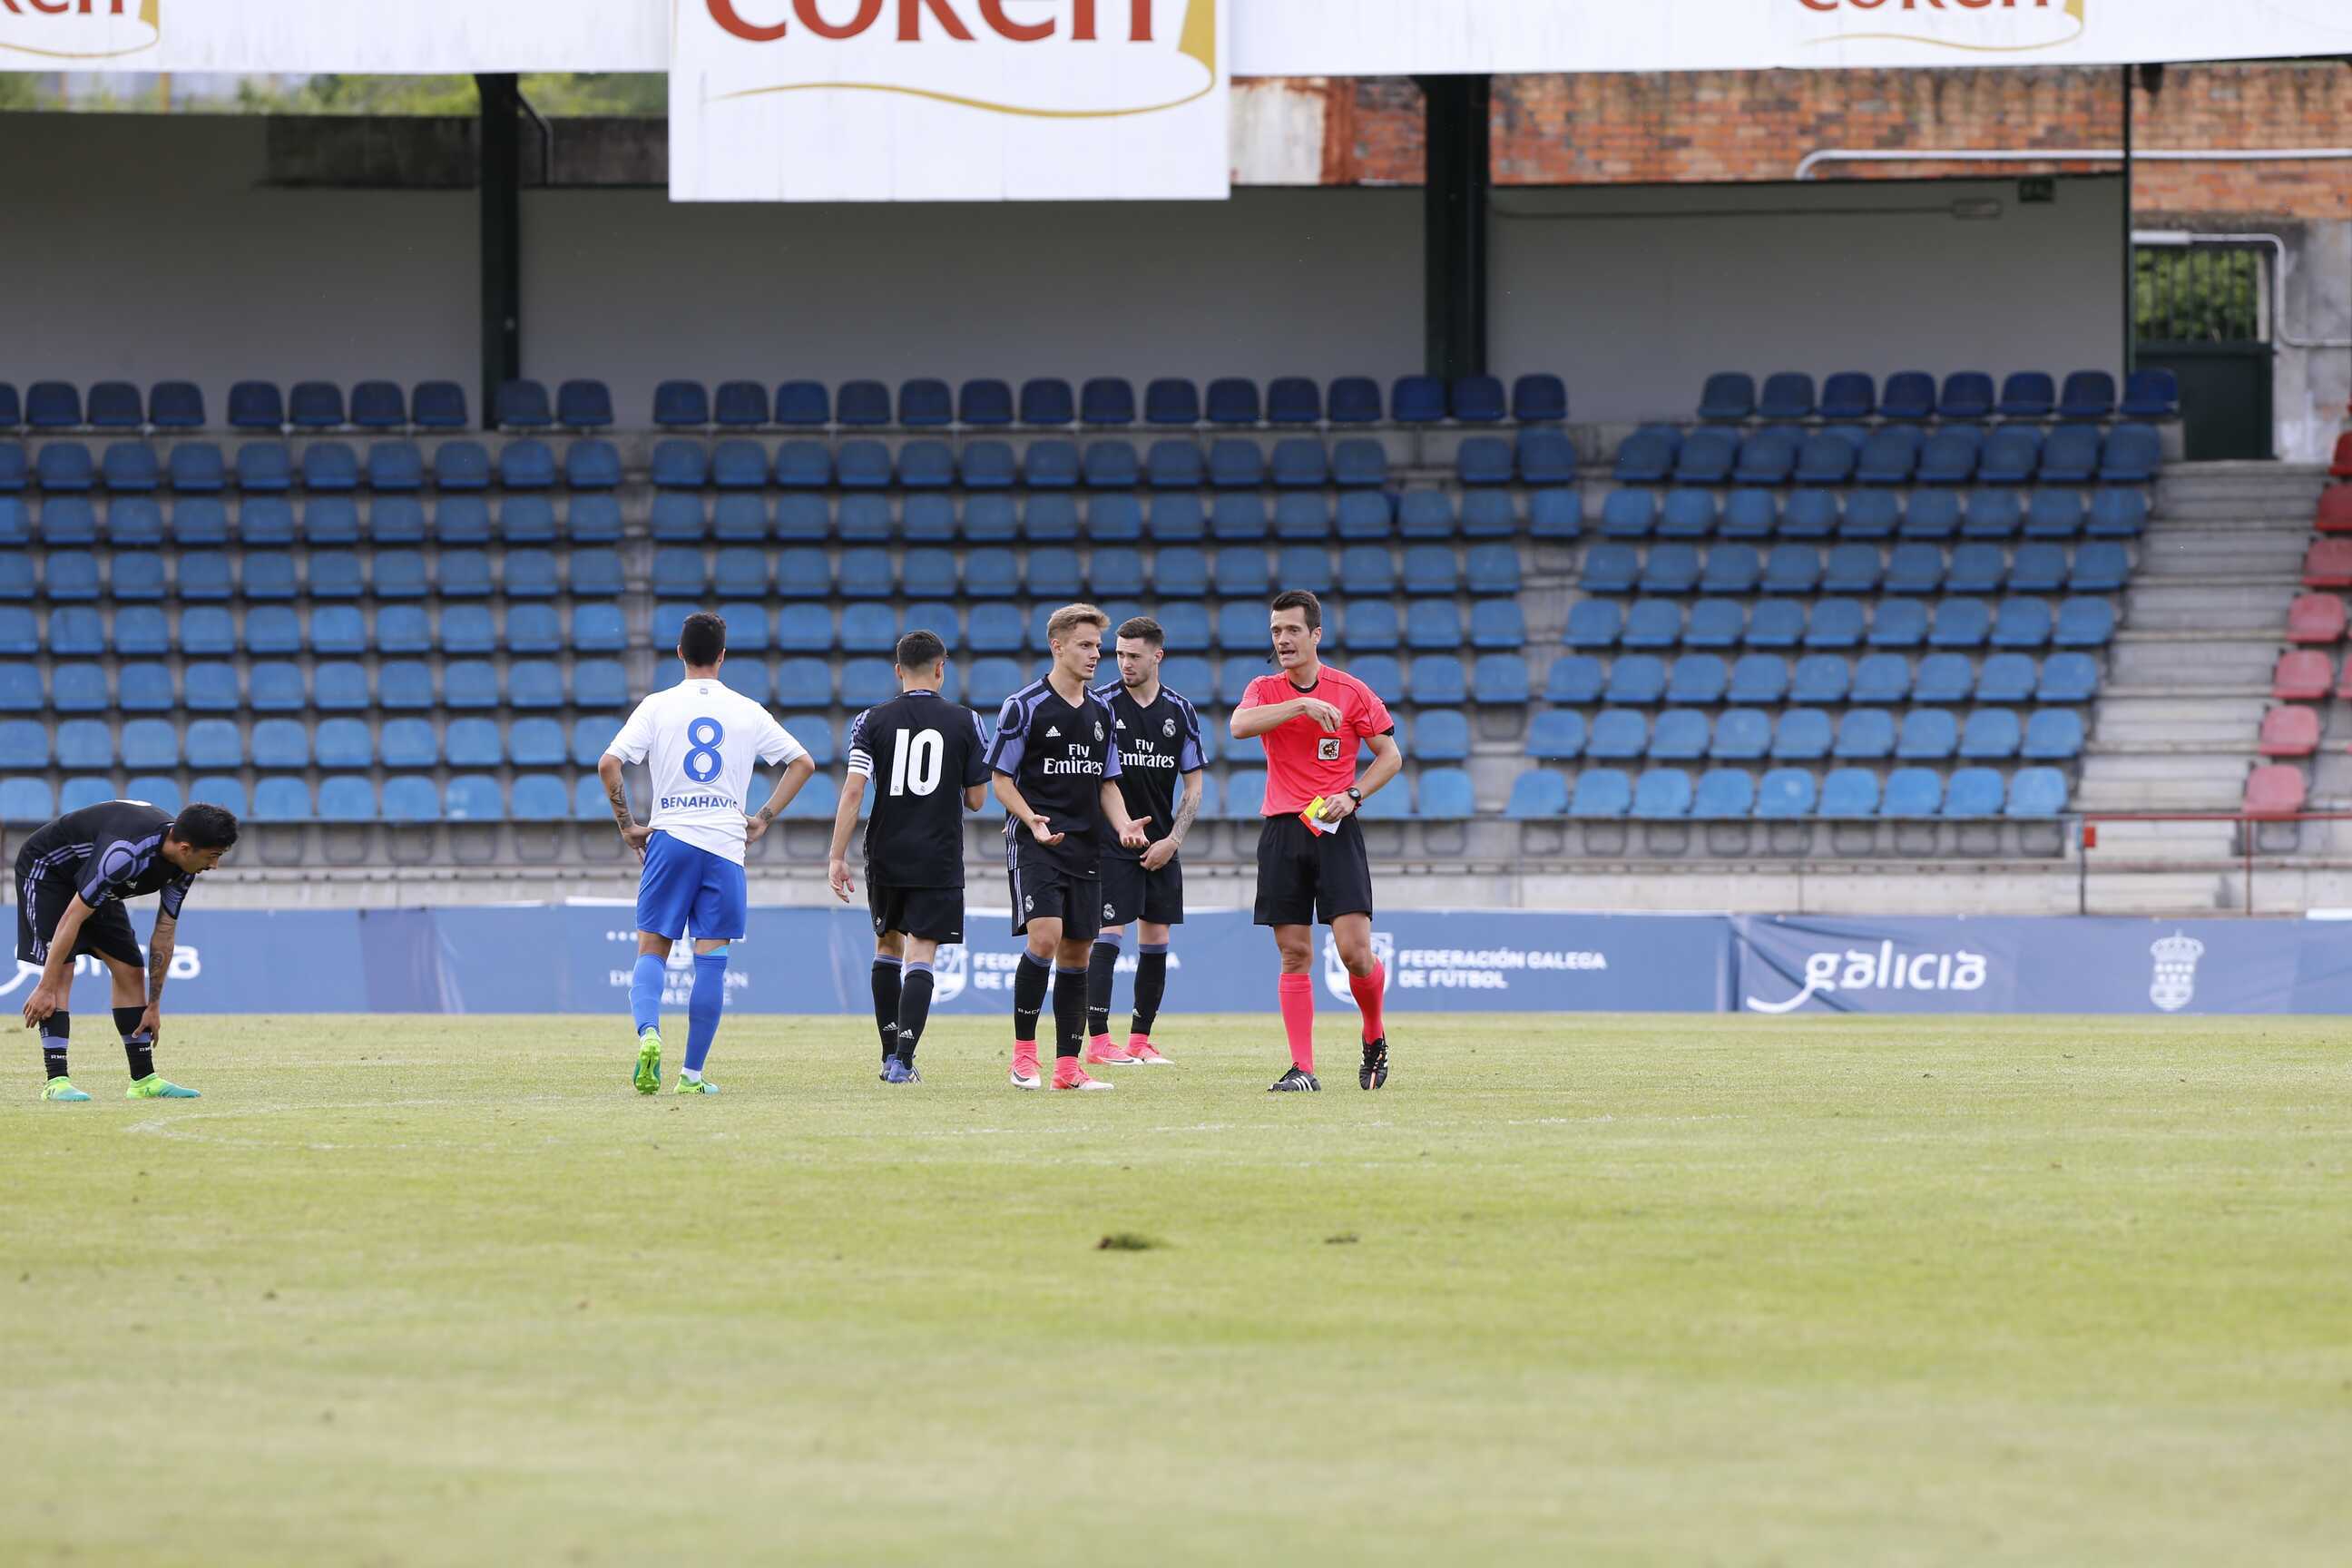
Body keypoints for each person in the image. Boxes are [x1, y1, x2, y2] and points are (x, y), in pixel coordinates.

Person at [599, 611, 814, 1096]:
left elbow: (609, 764)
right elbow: (803, 763)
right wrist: (763, 817)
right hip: (724, 846)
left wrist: (628, 825)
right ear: (722, 656)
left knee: (651, 949)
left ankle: (649, 1033)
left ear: (679, 653)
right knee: (711, 962)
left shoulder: (656, 706)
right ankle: (691, 1076)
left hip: (670, 839)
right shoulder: (747, 710)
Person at [1230, 589, 1403, 1093]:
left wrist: (1353, 794)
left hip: (1335, 830)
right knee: (1293, 954)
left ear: (1315, 634)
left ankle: (1373, 1034)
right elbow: (1238, 726)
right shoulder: (1264, 688)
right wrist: (1301, 705)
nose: (1283, 639)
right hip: (1282, 829)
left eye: (1292, 630)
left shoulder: (1351, 691)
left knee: (1355, 953)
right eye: (1276, 631)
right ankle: (1302, 1068)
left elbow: (1390, 757)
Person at [985, 603, 1152, 1092]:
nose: (1095, 654)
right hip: (1036, 842)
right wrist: (1029, 818)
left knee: (1078, 954)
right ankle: (1023, 1056)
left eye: (1098, 646)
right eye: (1085, 645)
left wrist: (1124, 825)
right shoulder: (1024, 706)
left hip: (1086, 847)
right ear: (1057, 646)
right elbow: (1000, 780)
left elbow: (1107, 783)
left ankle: (1067, 1069)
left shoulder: (1102, 712)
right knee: (1045, 937)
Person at [826, 630, 989, 1084]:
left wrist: (836, 856)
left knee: (887, 946)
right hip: (937, 854)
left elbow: (854, 791)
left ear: (898, 670)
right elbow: (977, 799)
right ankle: (903, 1060)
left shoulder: (870, 721)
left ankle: (887, 1056)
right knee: (922, 953)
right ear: (941, 669)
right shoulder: (967, 721)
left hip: (886, 851)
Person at [16, 799, 239, 1101]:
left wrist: (153, 1005)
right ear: (186, 848)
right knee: (62, 971)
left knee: (130, 969)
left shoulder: (184, 867)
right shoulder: (125, 854)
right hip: (48, 872)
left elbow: (164, 933)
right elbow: (72, 917)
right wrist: (46, 985)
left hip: (95, 880)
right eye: (213, 856)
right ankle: (56, 1082)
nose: (214, 866)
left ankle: (143, 1080)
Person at [1083, 615, 1203, 1067]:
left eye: (1133, 656)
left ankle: (1139, 1040)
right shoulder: (1100, 704)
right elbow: (1086, 773)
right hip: (1111, 840)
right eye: (1119, 655)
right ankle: (1098, 1041)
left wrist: (1173, 840)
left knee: (1156, 938)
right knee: (1108, 933)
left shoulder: (1180, 711)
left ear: (1158, 656)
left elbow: (1193, 786)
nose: (1124, 663)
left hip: (1161, 844)